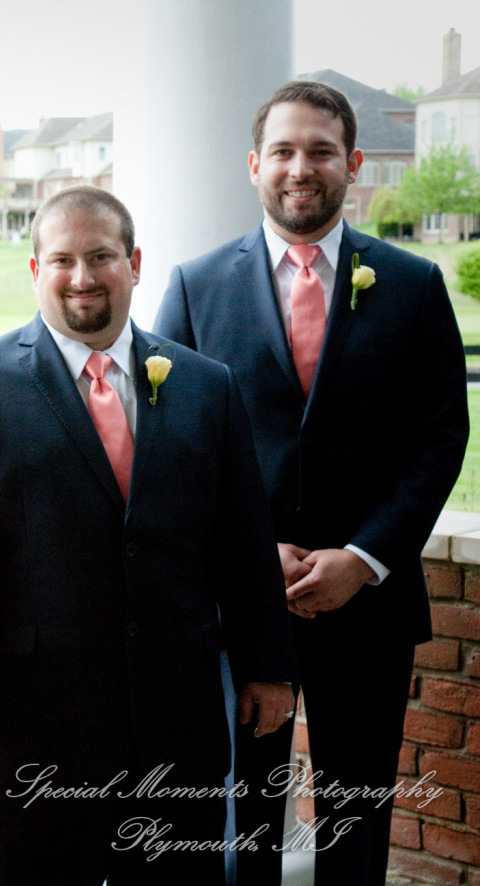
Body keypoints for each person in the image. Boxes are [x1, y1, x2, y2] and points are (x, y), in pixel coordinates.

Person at [0, 185, 298, 886]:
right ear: (35, 272)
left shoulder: (208, 387)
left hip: (176, 713)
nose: (82, 276)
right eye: (61, 260)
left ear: (135, 263)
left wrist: (268, 665)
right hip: (29, 715)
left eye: (101, 256)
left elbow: (241, 540)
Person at [154, 80, 469, 886]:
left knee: (356, 812)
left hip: (368, 602)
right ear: (255, 164)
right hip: (241, 603)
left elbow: (439, 440)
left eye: (322, 151)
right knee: (242, 810)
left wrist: (362, 558)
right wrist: (256, 554)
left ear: (353, 164)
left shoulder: (412, 284)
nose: (303, 167)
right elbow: (170, 443)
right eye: (285, 151)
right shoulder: (194, 286)